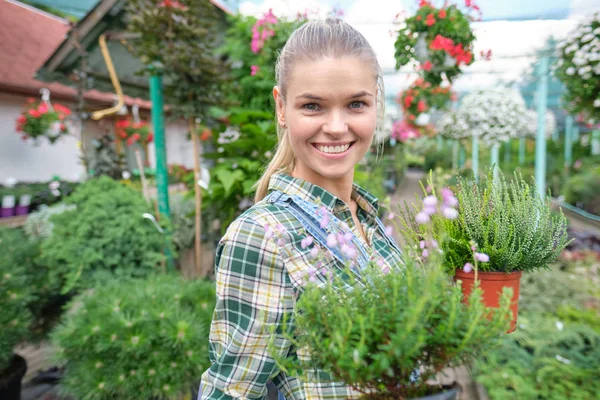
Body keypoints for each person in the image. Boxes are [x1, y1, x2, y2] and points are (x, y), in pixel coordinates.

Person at [200, 17, 404, 400]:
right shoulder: (265, 235)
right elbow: (232, 391)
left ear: (376, 104)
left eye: (356, 104)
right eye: (313, 106)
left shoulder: (366, 217)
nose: (337, 127)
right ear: (281, 108)